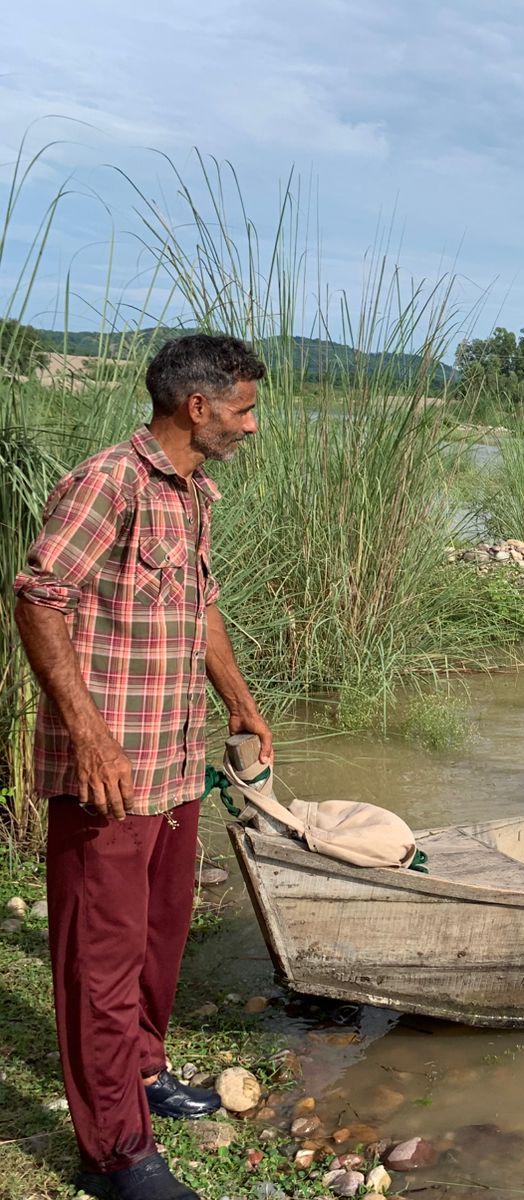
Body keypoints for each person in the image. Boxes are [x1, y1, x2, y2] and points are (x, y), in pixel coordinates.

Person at [13, 333, 274, 1200]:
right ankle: (115, 1155)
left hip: (173, 765)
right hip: (111, 774)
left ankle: (146, 1072)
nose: (251, 425)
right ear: (197, 408)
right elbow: (40, 596)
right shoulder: (108, 483)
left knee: (159, 941)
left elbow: (199, 611)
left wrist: (237, 701)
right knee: (103, 955)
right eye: (243, 409)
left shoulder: (194, 493)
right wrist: (86, 735)